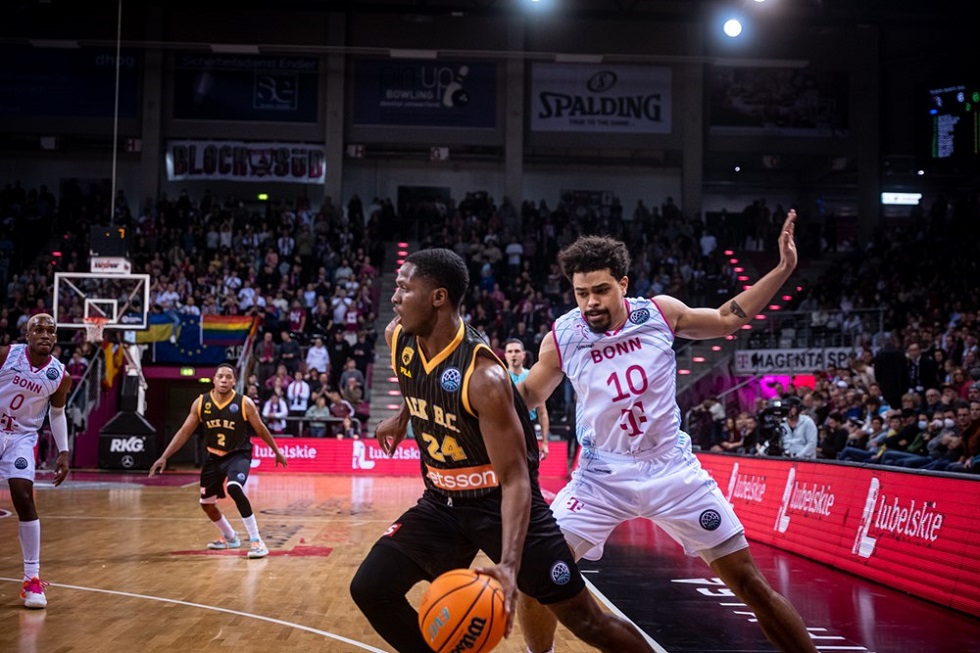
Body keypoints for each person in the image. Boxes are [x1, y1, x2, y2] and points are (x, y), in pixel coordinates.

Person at [516, 211, 817, 653]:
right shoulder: (563, 337)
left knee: (750, 583)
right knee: (536, 575)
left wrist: (783, 269)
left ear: (623, 283)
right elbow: (525, 396)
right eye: (581, 293)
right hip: (601, 476)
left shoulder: (660, 313)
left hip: (672, 469)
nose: (591, 302)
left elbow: (727, 318)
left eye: (601, 290)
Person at [349, 248, 654, 653]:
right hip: (442, 503)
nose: (394, 296)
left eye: (405, 288)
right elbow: (420, 376)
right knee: (371, 589)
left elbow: (515, 479)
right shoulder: (398, 338)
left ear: (438, 297)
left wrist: (509, 565)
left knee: (586, 621)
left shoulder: (484, 377)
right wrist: (404, 414)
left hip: (501, 504)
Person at [148, 363, 287, 558]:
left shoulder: (244, 403)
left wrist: (276, 451)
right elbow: (184, 431)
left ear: (234, 381)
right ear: (213, 380)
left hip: (238, 455)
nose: (224, 380)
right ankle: (231, 537)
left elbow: (261, 429)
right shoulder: (201, 403)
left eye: (228, 377)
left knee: (234, 487)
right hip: (213, 458)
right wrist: (164, 456)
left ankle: (257, 541)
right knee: (206, 504)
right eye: (220, 376)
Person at [0, 314, 72, 608]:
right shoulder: (6, 355)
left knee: (24, 497)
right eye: (38, 329)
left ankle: (32, 579)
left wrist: (63, 451)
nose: (45, 334)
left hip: (22, 437)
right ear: (27, 335)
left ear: (55, 338)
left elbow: (57, 413)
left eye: (50, 331)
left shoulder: (60, 375)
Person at [504, 338, 550, 460]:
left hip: (528, 427)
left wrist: (545, 442)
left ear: (523, 355)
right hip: (506, 428)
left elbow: (542, 412)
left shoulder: (533, 376)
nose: (513, 354)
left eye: (517, 351)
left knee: (530, 467)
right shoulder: (500, 377)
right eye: (510, 351)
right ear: (505, 355)